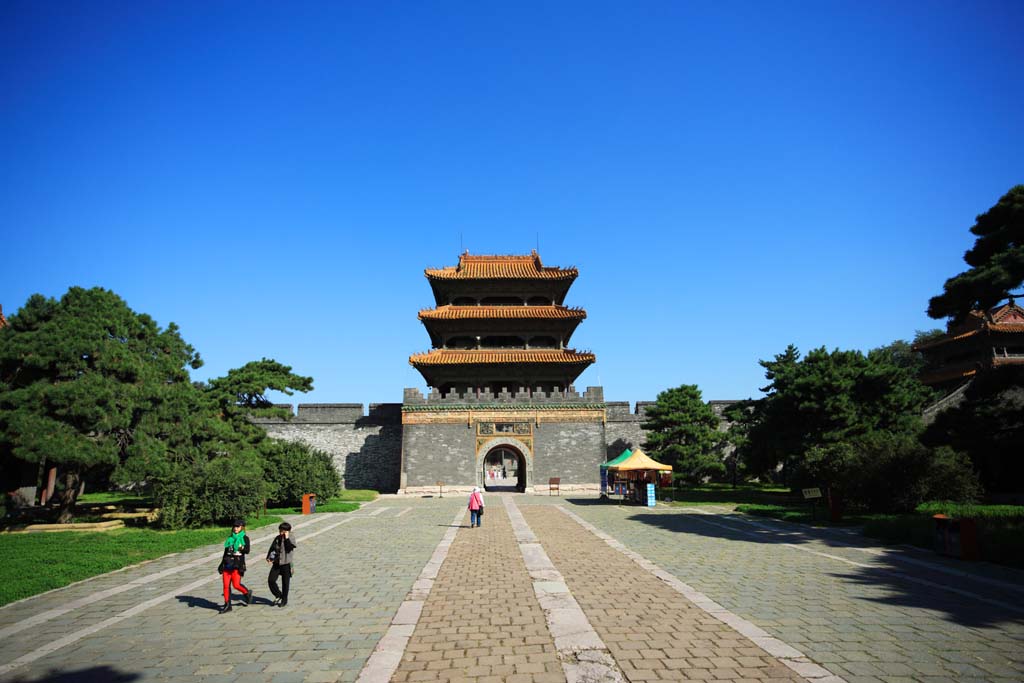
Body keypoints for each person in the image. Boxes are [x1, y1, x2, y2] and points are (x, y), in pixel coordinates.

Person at [217, 519, 253, 613]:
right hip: (227, 563)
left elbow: (247, 550)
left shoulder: (245, 538)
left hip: (237, 564)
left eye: (238, 527)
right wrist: (221, 564)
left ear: (242, 528)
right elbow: (225, 552)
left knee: (236, 585)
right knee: (226, 585)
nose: (235, 528)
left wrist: (242, 548)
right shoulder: (230, 538)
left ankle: (247, 593)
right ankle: (227, 605)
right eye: (234, 526)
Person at [266, 521, 297, 607]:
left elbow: (289, 548)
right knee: (271, 580)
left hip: (286, 563)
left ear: (288, 531)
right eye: (280, 530)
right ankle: (278, 595)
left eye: (283, 531)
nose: (281, 532)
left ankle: (284, 599)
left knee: (285, 583)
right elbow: (272, 548)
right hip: (277, 563)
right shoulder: (277, 538)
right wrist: (269, 558)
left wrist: (286, 538)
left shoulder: (291, 537)